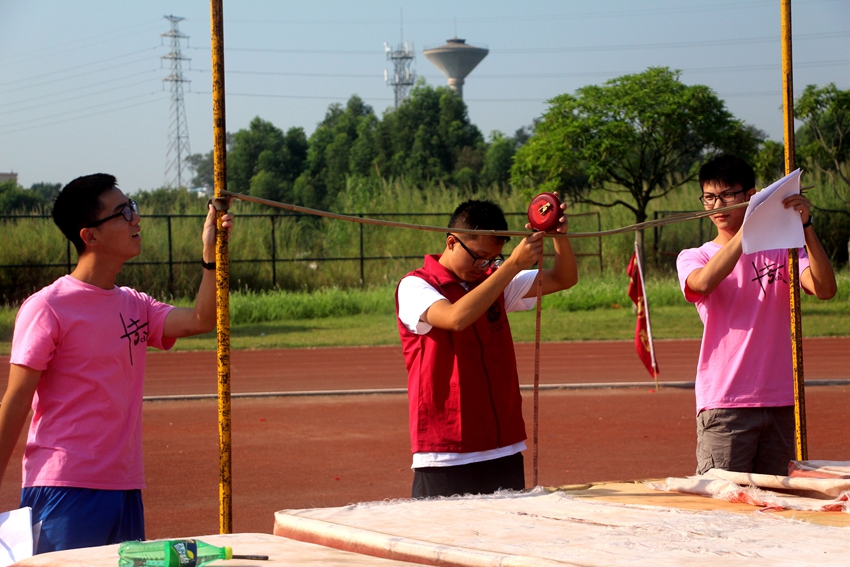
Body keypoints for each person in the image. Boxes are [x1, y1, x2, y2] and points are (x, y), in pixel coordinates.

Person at [0, 173, 234, 553]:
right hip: (65, 486)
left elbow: (201, 320)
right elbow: (16, 400)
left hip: (124, 485)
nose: (136, 219)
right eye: (123, 212)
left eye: (133, 208)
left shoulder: (134, 304)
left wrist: (211, 255)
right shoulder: (48, 307)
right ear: (89, 235)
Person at [395, 199, 578, 498]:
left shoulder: (494, 280)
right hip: (446, 452)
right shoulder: (416, 286)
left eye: (491, 259)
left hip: (503, 446)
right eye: (479, 257)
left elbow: (563, 278)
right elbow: (456, 318)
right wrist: (511, 265)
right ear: (451, 242)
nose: (484, 266)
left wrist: (558, 237)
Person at [676, 154, 836, 476]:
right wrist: (748, 231)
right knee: (724, 505)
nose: (717, 205)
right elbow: (702, 283)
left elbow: (825, 289)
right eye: (709, 197)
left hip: (780, 401)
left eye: (727, 196)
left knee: (775, 507)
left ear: (750, 196)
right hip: (725, 403)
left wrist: (805, 228)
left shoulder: (784, 251)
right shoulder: (696, 255)